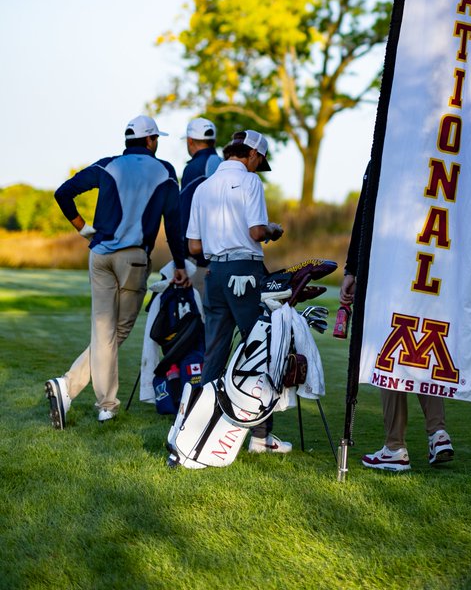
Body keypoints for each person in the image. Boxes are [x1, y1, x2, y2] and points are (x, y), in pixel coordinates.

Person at [45, 114, 189, 428]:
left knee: (103, 331)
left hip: (99, 256)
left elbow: (63, 193)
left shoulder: (107, 164)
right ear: (151, 141)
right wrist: (180, 264)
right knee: (116, 333)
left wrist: (83, 228)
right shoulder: (165, 171)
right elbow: (173, 224)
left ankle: (79, 394)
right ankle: (87, 396)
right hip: (133, 261)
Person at [340, 165, 455, 472]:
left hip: (388, 264)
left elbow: (365, 214)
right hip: (427, 265)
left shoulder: (385, 151)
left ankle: (395, 446)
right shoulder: (432, 148)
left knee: (390, 352)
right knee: (421, 344)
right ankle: (437, 431)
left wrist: (352, 268)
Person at [186, 128, 290, 454]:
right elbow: (256, 231)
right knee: (260, 348)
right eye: (260, 161)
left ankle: (200, 427)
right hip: (244, 270)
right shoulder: (250, 181)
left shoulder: (203, 187)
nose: (259, 167)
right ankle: (260, 437)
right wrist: (273, 230)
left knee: (214, 353)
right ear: (253, 154)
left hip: (214, 273)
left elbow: (194, 245)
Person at [179, 117, 222, 299]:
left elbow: (186, 215)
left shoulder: (194, 168)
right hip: (228, 256)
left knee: (199, 320)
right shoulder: (225, 163)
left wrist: (180, 258)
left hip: (201, 260)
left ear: (190, 141)